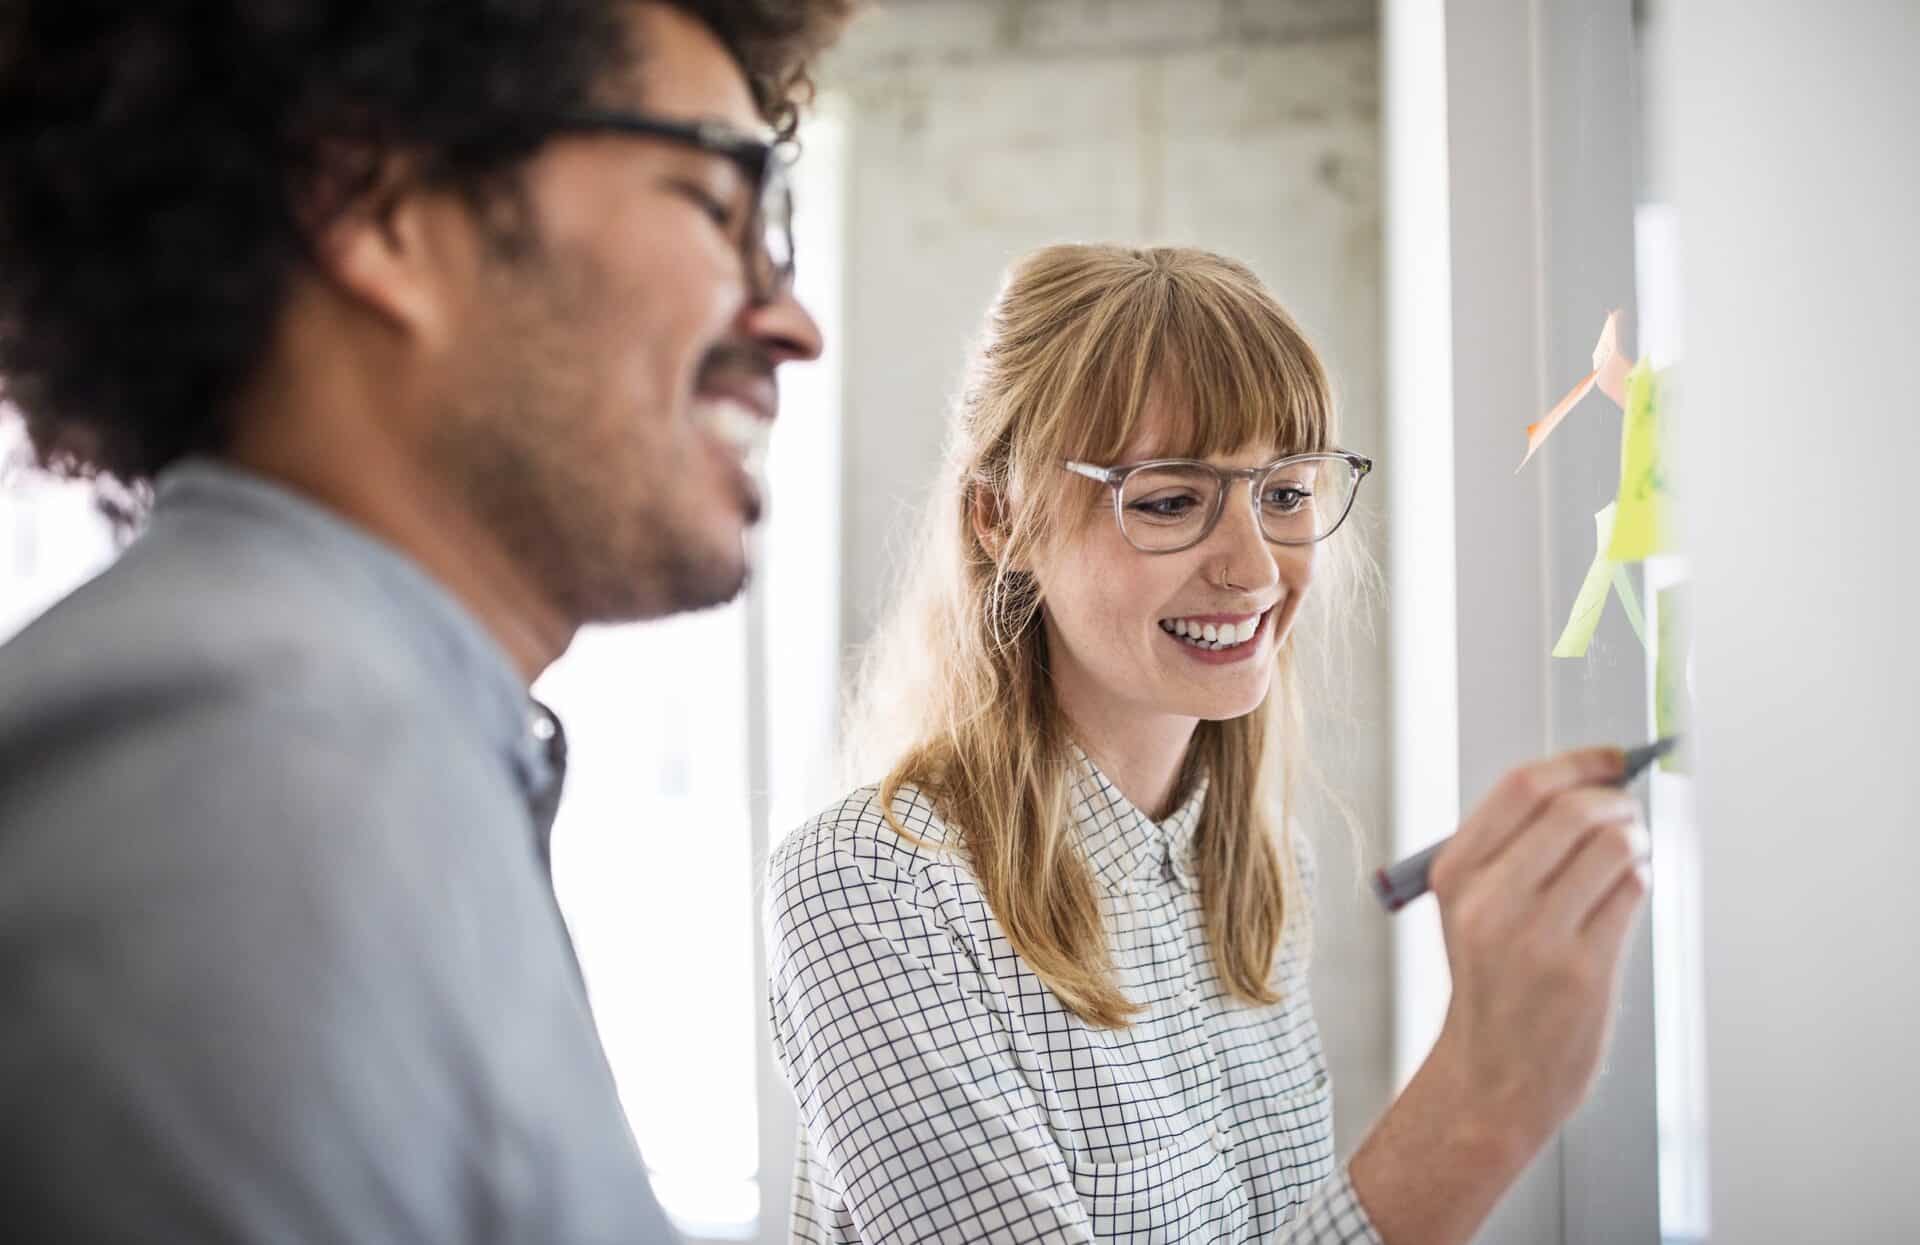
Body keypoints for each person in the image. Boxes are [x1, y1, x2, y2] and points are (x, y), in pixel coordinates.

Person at [0, 1, 851, 1238]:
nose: (792, 322)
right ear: (380, 209)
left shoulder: (367, 735)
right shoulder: (248, 762)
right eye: (718, 206)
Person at [766, 244, 1651, 1244]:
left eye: (1284, 493)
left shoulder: (1266, 877)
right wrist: (1482, 1100)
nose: (1253, 568)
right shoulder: (871, 890)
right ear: (1000, 517)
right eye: (1170, 500)